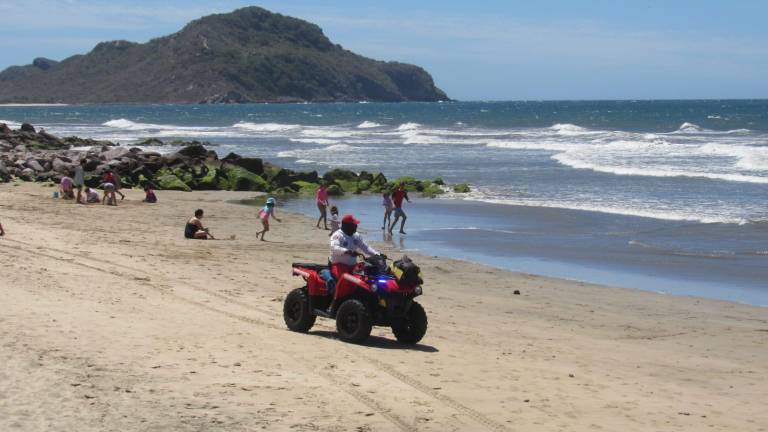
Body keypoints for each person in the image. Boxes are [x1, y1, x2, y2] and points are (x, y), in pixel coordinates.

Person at [328, 214, 379, 307]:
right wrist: (346, 251)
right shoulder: (337, 235)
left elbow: (365, 247)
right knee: (344, 282)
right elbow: (334, 248)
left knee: (367, 278)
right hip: (338, 264)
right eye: (354, 225)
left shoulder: (356, 236)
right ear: (346, 225)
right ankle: (335, 303)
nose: (356, 226)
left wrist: (377, 254)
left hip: (353, 265)